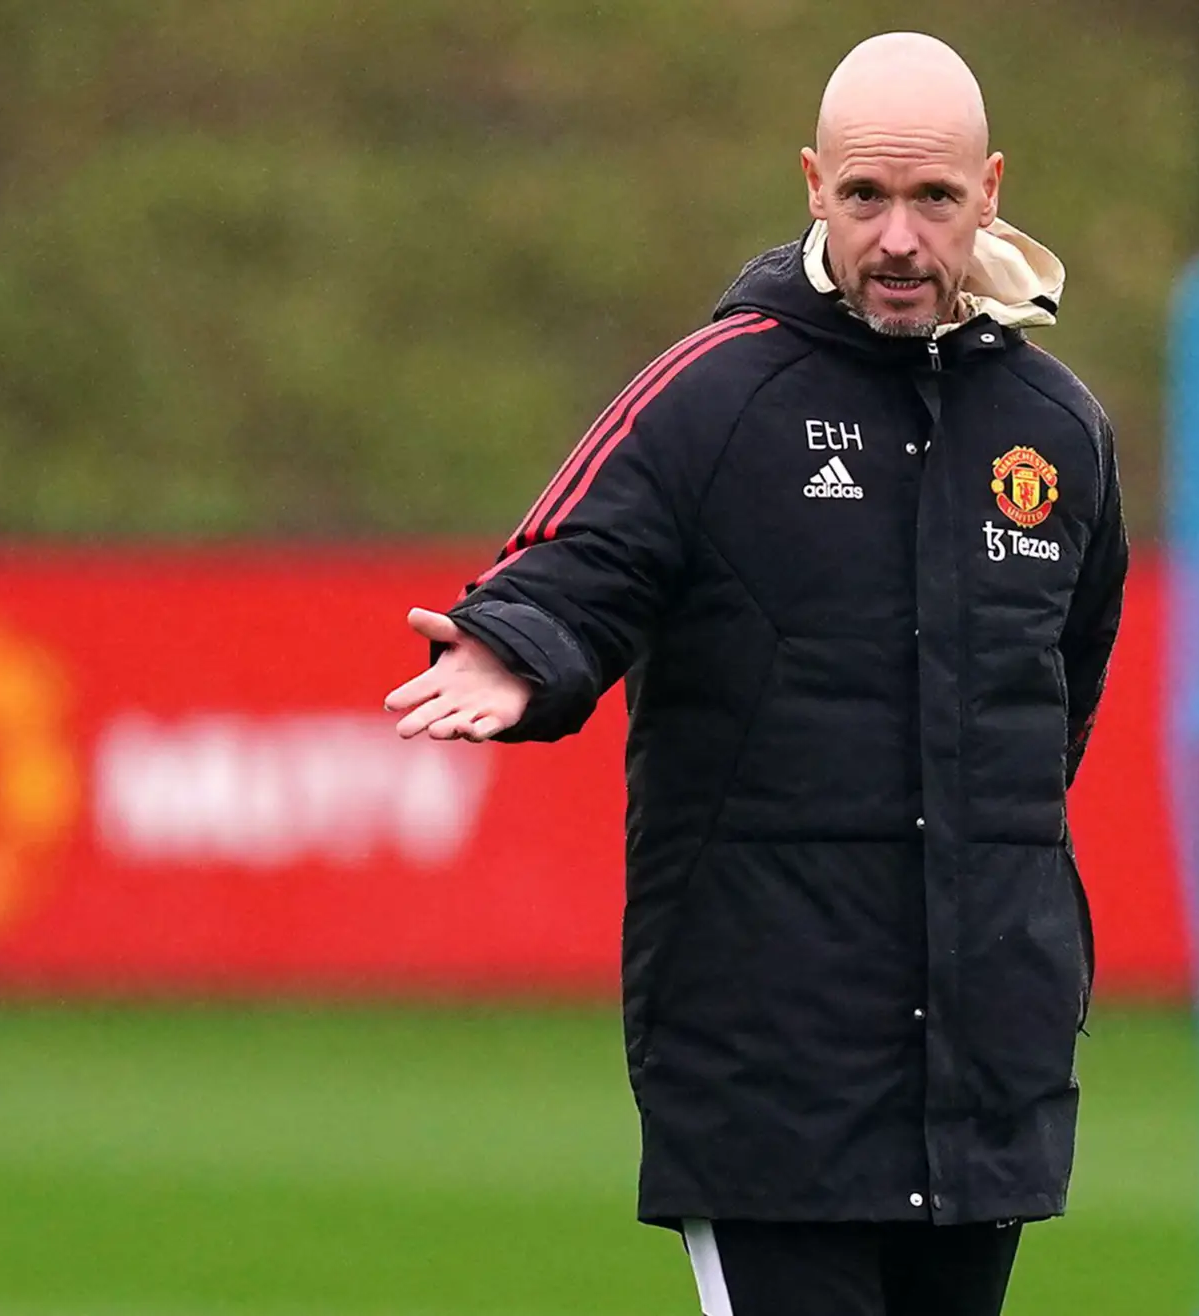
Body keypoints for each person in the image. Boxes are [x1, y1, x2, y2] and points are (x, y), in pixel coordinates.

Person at [383, 31, 1127, 1316]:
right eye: (865, 198)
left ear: (991, 191)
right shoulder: (714, 393)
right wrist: (519, 647)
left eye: (933, 199)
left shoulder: (1059, 430)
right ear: (812, 187)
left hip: (981, 1079)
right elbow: (582, 554)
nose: (899, 238)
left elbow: (1056, 700)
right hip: (768, 1079)